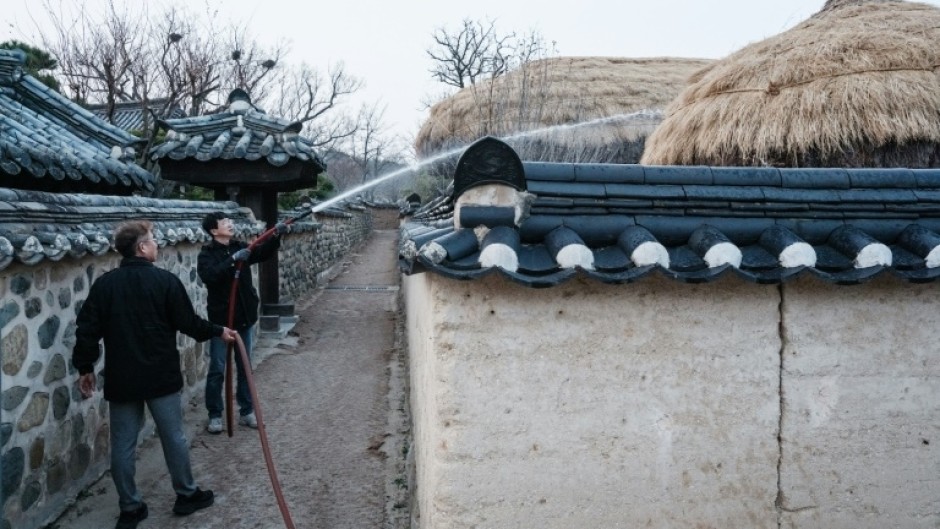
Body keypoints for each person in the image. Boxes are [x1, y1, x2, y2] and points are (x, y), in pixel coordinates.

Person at [72, 220, 238, 529]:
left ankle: (130, 507)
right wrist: (219, 331)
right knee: (173, 436)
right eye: (153, 241)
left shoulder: (105, 285)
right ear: (142, 248)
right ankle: (186, 494)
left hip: (123, 377)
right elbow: (189, 323)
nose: (157, 245)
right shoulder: (165, 282)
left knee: (122, 444)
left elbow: (87, 329)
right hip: (161, 375)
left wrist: (85, 367)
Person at [198, 212, 287, 434]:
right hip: (221, 322)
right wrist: (232, 260)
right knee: (218, 369)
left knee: (245, 367)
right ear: (213, 230)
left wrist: (276, 237)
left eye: (230, 221)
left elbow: (262, 253)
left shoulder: (241, 246)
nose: (230, 224)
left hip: (244, 319)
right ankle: (215, 414)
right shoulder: (207, 253)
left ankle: (246, 411)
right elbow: (209, 276)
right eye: (224, 222)